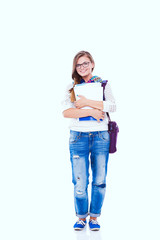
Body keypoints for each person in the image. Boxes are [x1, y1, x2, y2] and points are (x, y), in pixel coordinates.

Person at [62, 51, 116, 231]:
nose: (82, 67)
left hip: (101, 136)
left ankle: (94, 217)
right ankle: (81, 217)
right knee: (80, 181)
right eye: (79, 65)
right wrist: (92, 112)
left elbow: (112, 106)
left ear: (92, 64)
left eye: (85, 63)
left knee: (100, 179)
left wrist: (88, 103)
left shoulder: (103, 84)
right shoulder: (71, 87)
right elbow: (67, 112)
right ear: (75, 68)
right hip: (78, 136)